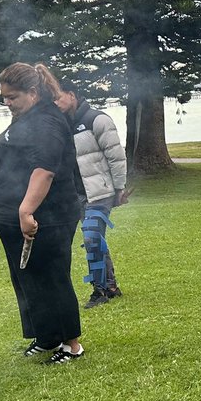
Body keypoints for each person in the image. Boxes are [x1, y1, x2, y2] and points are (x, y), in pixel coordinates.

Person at [0, 62, 85, 364]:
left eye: (12, 97)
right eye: (4, 97)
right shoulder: (25, 118)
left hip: (50, 215)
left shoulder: (47, 122)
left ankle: (71, 344)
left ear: (32, 93)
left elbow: (44, 170)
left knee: (53, 276)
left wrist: (26, 209)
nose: (7, 103)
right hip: (14, 216)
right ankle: (47, 336)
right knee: (28, 279)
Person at [55, 77, 128, 309]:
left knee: (91, 238)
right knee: (96, 239)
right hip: (77, 194)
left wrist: (119, 188)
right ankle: (111, 286)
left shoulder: (97, 119)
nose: (55, 102)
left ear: (72, 95)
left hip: (100, 192)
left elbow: (116, 156)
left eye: (58, 97)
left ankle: (100, 291)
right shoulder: (59, 125)